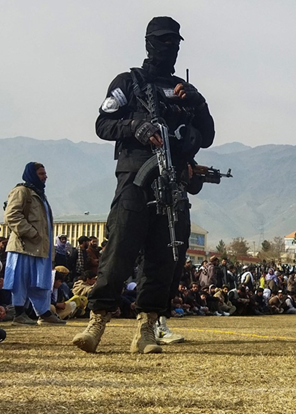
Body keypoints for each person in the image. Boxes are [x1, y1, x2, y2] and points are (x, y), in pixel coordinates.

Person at [73, 16, 215, 354]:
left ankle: (147, 327)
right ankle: (97, 322)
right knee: (120, 249)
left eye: (175, 43)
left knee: (165, 258)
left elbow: (207, 136)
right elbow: (102, 122)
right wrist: (135, 126)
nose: (170, 48)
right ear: (149, 42)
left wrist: (196, 102)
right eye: (164, 41)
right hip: (136, 179)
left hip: (174, 183)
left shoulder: (184, 91)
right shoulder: (128, 82)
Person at [2, 162, 65, 326]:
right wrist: (32, 233)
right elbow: (11, 216)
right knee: (20, 281)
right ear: (31, 174)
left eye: (45, 173)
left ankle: (44, 313)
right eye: (41, 174)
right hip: (23, 247)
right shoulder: (21, 192)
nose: (45, 177)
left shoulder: (40, 195)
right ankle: (19, 314)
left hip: (40, 248)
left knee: (41, 282)